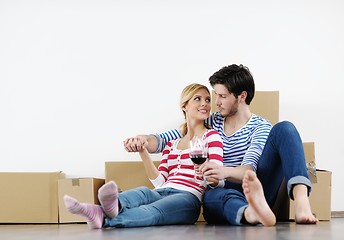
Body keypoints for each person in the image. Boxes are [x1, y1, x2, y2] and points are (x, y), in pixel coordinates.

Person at [124, 64, 319, 226]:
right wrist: (141, 139)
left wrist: (223, 170)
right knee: (210, 197)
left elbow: (249, 170)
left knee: (285, 128)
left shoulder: (260, 127)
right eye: (215, 96)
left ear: (241, 97)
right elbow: (165, 139)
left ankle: (302, 202)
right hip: (224, 191)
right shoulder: (211, 121)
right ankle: (251, 214)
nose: (215, 103)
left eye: (222, 96)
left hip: (255, 184)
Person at [63, 83, 224, 229]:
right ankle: (113, 204)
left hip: (188, 196)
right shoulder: (172, 143)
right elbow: (160, 181)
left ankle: (100, 216)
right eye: (198, 99)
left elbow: (218, 180)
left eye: (208, 100)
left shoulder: (211, 137)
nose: (205, 104)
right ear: (185, 106)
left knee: (151, 211)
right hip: (162, 190)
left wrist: (205, 172)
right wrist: (143, 151)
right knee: (142, 192)